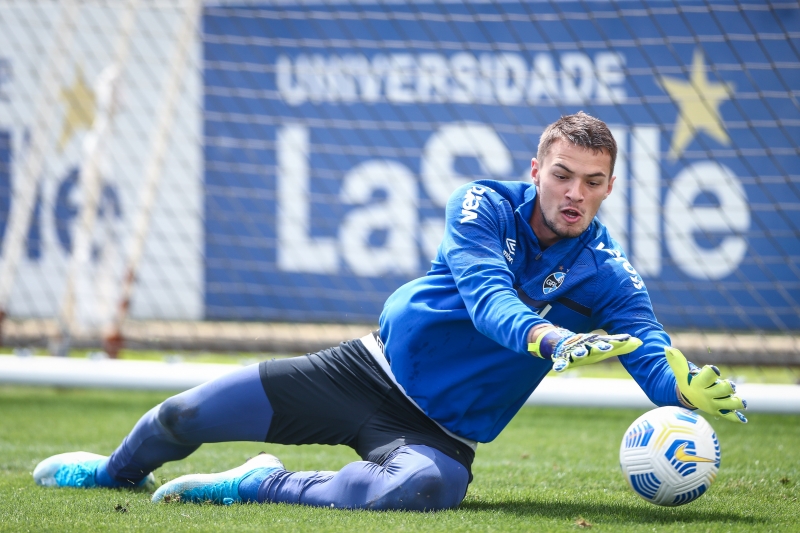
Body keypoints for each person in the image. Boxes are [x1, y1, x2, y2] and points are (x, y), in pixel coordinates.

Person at [33, 112, 746, 511]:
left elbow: (646, 343)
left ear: (609, 187)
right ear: (536, 170)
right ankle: (114, 474)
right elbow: (489, 297)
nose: (574, 192)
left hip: (439, 432)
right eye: (561, 174)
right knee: (179, 417)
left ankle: (261, 481)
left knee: (423, 488)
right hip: (361, 370)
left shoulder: (607, 269)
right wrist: (547, 336)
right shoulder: (482, 204)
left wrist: (681, 385)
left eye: (592, 182)